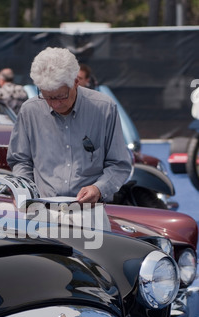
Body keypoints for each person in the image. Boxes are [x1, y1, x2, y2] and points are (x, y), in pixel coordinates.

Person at [7, 47, 132, 230]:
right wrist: (25, 191)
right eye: (47, 97)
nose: (55, 104)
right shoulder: (30, 110)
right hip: (41, 214)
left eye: (60, 96)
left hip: (89, 215)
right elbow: (20, 160)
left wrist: (98, 189)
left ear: (76, 82)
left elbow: (119, 164)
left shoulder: (104, 108)